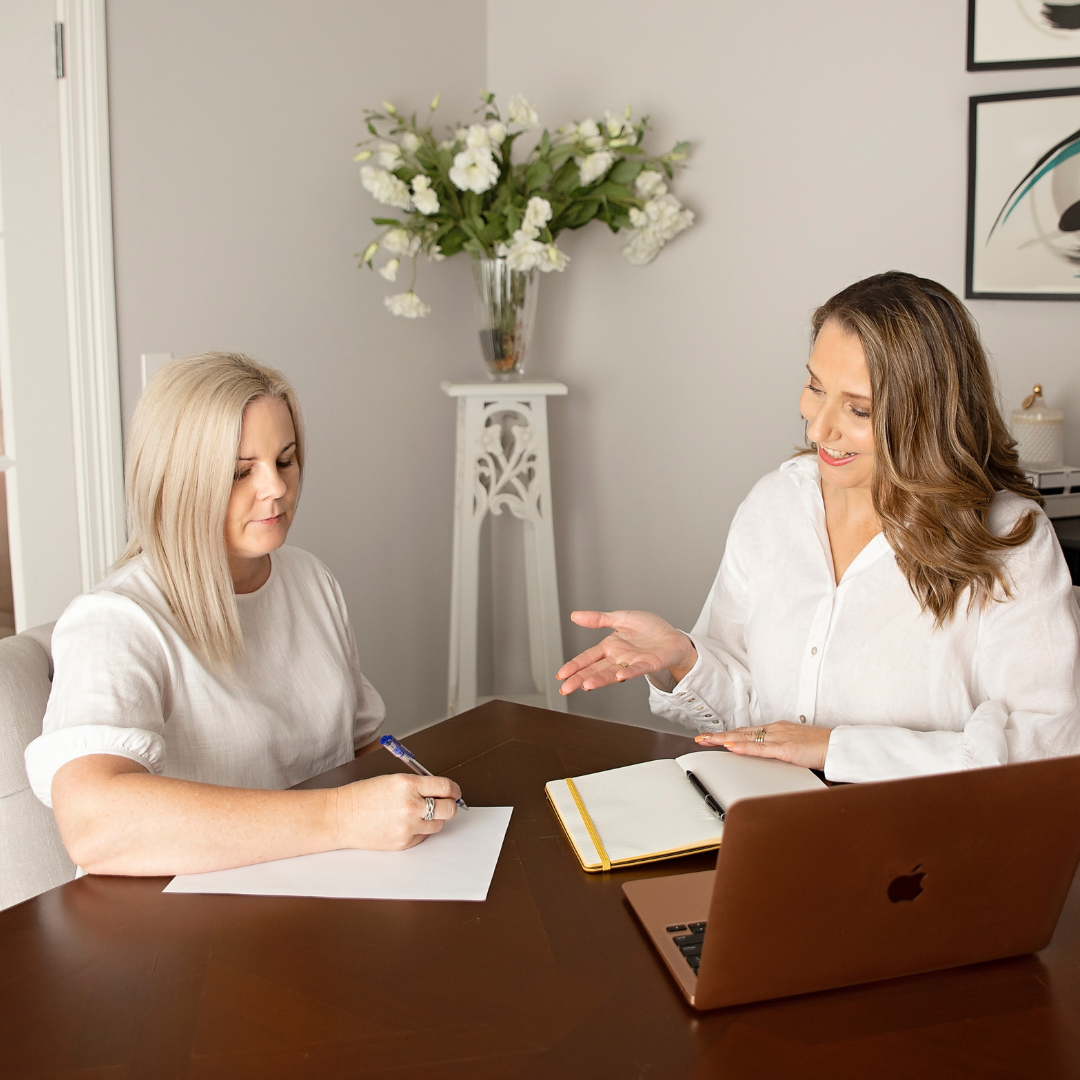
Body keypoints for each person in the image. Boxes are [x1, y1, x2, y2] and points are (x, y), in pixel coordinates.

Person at [557, 272, 1080, 782]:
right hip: (767, 814)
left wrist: (835, 749)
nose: (818, 427)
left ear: (927, 415)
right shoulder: (776, 504)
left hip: (919, 834)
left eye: (859, 409)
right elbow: (756, 720)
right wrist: (683, 658)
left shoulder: (1009, 540)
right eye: (815, 386)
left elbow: (1051, 747)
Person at [24, 353, 460, 876]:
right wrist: (340, 817)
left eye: (285, 460)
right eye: (240, 471)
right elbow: (95, 826)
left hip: (324, 880)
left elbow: (362, 747)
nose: (276, 487)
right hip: (186, 915)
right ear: (176, 480)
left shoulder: (311, 580)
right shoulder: (115, 621)